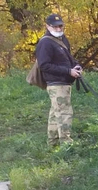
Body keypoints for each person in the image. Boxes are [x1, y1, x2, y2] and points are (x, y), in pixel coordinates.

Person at [35, 13, 81, 146]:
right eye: (55, 26)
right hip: (56, 83)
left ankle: (53, 143)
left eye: (60, 25)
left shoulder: (62, 39)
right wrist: (68, 71)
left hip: (65, 82)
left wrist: (76, 66)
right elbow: (44, 65)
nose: (58, 28)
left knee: (55, 114)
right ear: (47, 26)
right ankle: (66, 144)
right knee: (64, 113)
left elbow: (68, 58)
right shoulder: (45, 43)